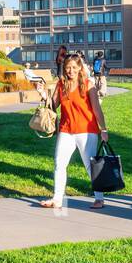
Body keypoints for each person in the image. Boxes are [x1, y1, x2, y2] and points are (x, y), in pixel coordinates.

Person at [37, 53, 111, 210]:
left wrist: (103, 129)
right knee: (59, 163)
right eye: (67, 67)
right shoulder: (61, 84)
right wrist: (43, 94)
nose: (70, 71)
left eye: (73, 68)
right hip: (66, 130)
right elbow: (53, 106)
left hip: (86, 130)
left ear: (80, 68)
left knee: (90, 165)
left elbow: (97, 109)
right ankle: (57, 198)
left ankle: (99, 198)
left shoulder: (88, 84)